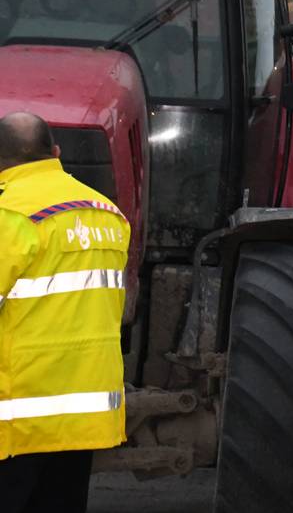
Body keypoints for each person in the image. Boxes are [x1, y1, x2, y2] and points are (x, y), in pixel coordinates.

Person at [0, 112, 130, 512]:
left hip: (17, 419)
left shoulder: (11, 215)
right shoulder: (108, 213)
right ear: (55, 153)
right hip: (84, 416)